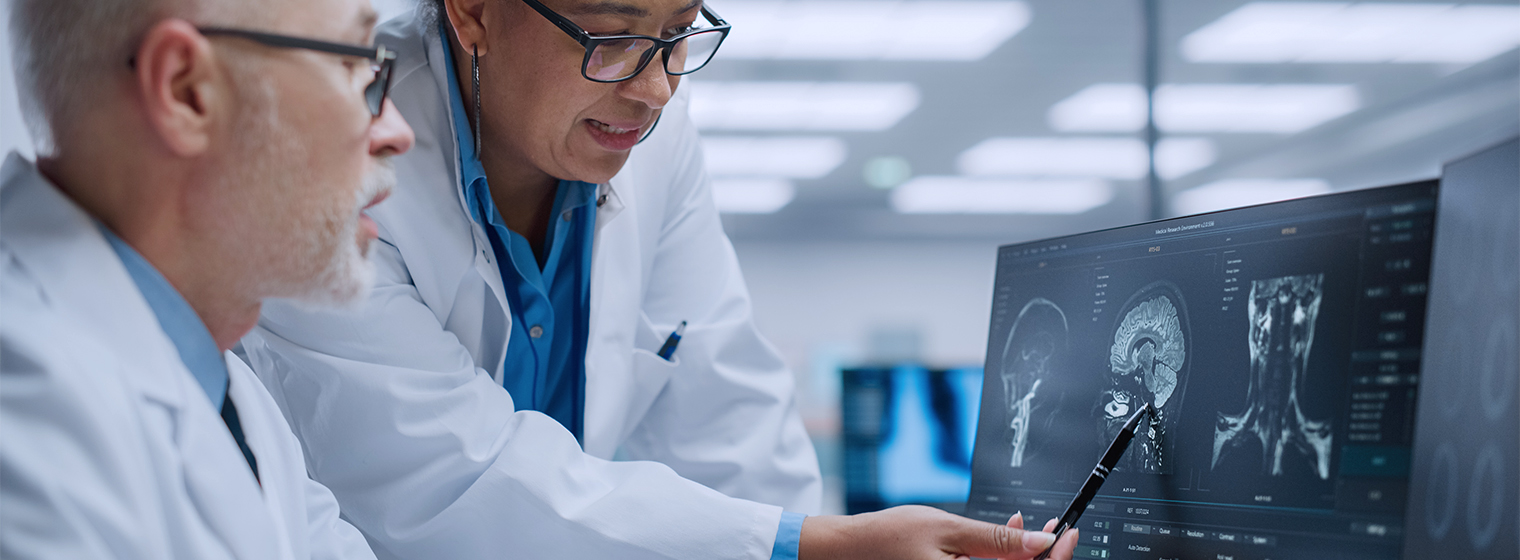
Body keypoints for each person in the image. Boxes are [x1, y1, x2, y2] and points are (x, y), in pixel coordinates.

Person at [237, 0, 1082, 558]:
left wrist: (820, 541)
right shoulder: (339, 135)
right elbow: (452, 481)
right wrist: (805, 546)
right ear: (473, 13)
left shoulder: (650, 143)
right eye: (612, 36)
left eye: (679, 34)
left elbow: (731, 417)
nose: (655, 89)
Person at [0, 0, 415, 556]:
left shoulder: (223, 381)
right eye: (355, 66)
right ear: (186, 91)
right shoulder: (27, 419)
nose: (397, 131)